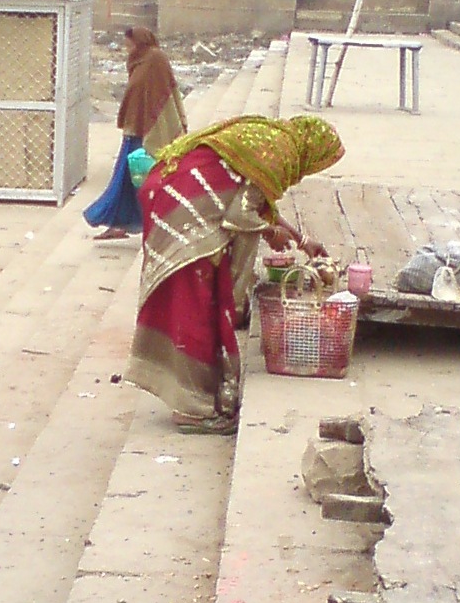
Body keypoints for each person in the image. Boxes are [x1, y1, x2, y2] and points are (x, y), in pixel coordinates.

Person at [125, 115, 344, 433]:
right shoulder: (279, 155)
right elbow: (241, 214)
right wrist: (270, 231)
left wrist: (301, 239)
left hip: (170, 189)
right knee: (196, 306)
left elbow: (254, 198)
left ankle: (188, 397)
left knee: (190, 301)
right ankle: (193, 410)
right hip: (186, 207)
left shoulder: (274, 138)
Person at [84, 26, 187, 241]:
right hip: (135, 129)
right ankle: (121, 223)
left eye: (130, 44)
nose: (127, 48)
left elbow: (163, 93)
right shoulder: (139, 61)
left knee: (137, 178)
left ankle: (152, 222)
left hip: (150, 131)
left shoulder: (156, 60)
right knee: (128, 180)